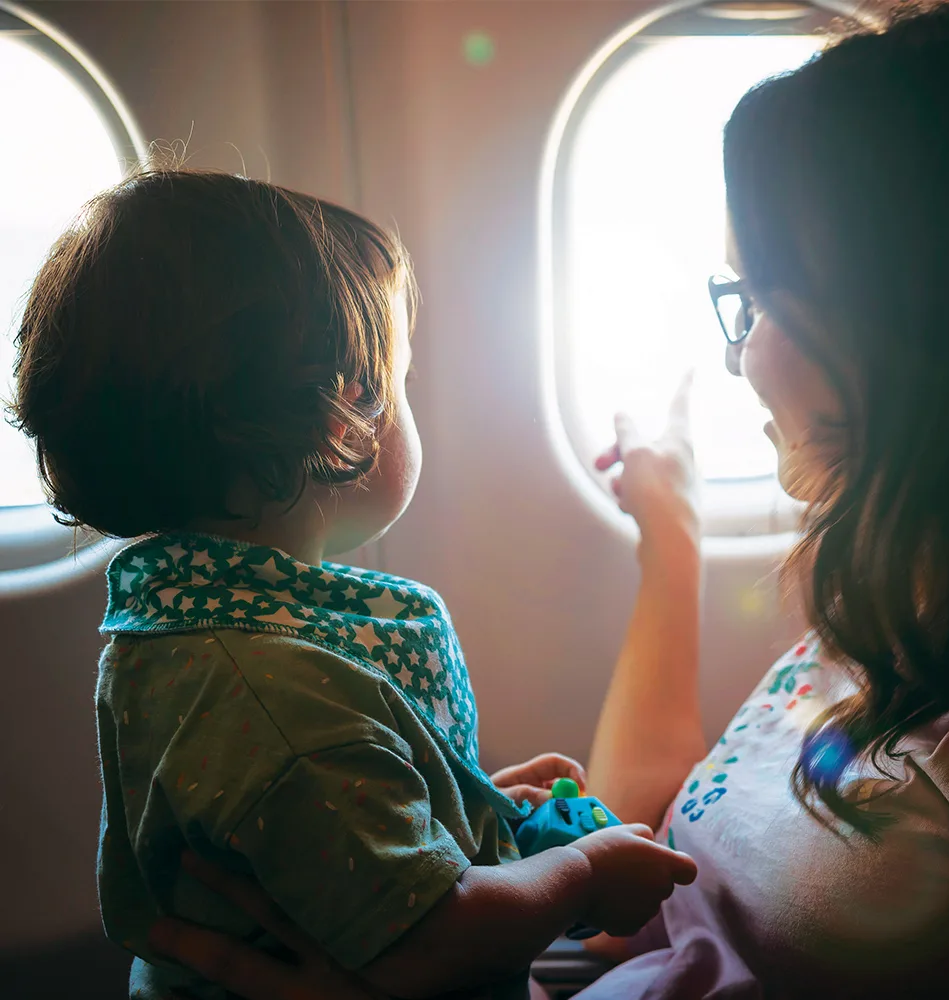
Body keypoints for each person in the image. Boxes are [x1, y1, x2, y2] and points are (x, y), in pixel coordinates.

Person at [71, 1, 949, 996]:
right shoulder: (918, 575)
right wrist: (670, 536)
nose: (737, 356)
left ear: (918, 322)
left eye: (756, 301)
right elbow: (674, 869)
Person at [9, 169, 696, 1000]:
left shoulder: (201, 626)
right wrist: (583, 871)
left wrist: (456, 802)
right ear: (345, 416)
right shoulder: (278, 696)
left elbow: (326, 834)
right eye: (401, 379)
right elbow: (431, 935)